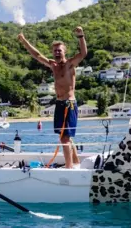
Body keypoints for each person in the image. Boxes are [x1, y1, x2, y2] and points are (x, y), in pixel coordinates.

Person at [18, 26, 87, 169]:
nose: (57, 52)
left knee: (64, 137)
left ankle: (69, 168)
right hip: (59, 104)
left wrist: (81, 36)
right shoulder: (53, 65)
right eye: (55, 50)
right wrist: (24, 42)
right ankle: (75, 162)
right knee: (65, 136)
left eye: (59, 50)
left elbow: (83, 53)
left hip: (69, 104)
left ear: (64, 51)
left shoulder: (69, 64)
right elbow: (36, 55)